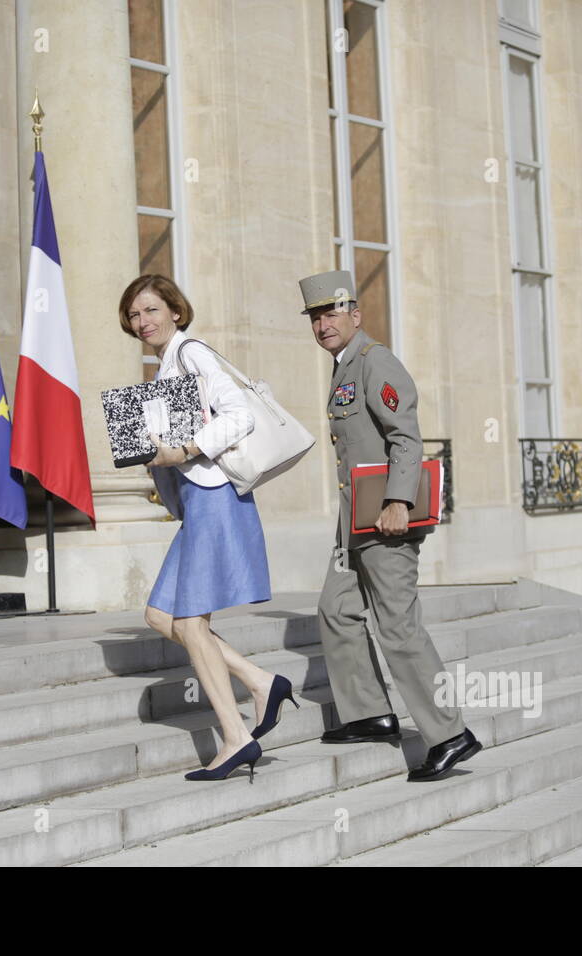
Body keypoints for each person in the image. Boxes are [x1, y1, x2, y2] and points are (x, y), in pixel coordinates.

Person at [299, 269, 481, 781]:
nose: (323, 323)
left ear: (355, 314)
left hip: (386, 522)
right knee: (335, 609)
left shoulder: (376, 362)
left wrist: (399, 501)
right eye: (315, 316)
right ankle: (370, 714)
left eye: (331, 312)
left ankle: (449, 734)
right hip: (353, 524)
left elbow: (406, 438)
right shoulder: (343, 368)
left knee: (399, 628)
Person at [119, 274, 295, 782]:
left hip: (215, 495)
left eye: (151, 310)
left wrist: (186, 449)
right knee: (160, 616)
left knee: (191, 622)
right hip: (196, 501)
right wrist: (152, 456)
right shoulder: (163, 371)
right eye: (134, 315)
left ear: (175, 310)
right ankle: (261, 681)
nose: (143, 321)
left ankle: (236, 738)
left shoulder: (193, 353)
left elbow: (238, 415)